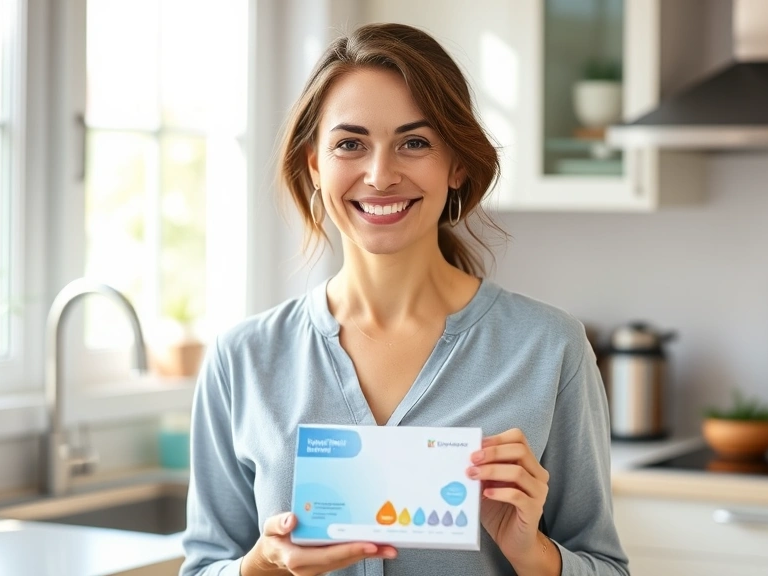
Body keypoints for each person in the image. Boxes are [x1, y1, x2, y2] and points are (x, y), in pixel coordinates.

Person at [180, 22, 629, 576]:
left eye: (414, 142)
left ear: (457, 163)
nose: (380, 174)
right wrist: (262, 566)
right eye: (350, 144)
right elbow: (203, 567)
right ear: (315, 165)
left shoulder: (549, 349)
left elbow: (608, 568)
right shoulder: (241, 359)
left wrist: (532, 553)